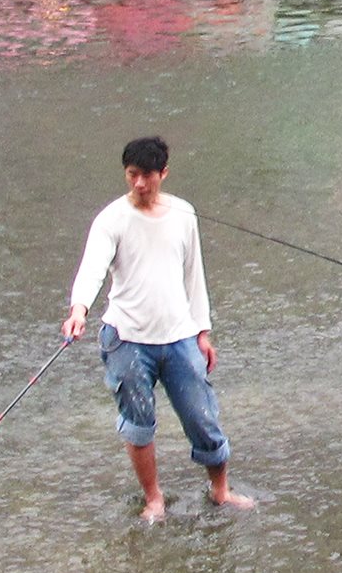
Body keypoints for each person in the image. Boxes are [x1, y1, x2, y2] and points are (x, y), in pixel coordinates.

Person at [61, 136, 254, 522]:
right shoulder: (111, 219)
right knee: (139, 423)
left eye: (147, 176)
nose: (138, 184)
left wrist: (203, 332)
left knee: (203, 417)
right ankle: (154, 498)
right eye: (132, 175)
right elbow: (92, 268)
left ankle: (220, 490)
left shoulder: (184, 213)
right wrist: (78, 309)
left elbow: (193, 275)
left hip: (180, 336)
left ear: (163, 173)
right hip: (127, 339)